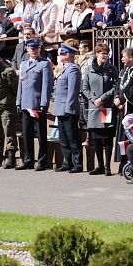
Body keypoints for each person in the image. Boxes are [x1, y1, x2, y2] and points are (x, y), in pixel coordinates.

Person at [16, 38, 54, 171]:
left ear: (39, 49)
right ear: (27, 48)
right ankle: (28, 160)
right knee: (26, 133)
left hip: (37, 104)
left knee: (41, 134)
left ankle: (42, 161)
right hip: (25, 103)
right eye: (31, 48)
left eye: (36, 48)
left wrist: (44, 103)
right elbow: (21, 84)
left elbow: (47, 86)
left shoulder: (44, 64)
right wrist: (18, 101)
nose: (34, 50)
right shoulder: (23, 64)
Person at [82, 43, 118, 175]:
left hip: (106, 107)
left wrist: (102, 99)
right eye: (103, 53)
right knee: (96, 138)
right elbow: (84, 88)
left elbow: (116, 87)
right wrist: (94, 99)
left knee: (107, 137)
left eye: (107, 53)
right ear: (96, 54)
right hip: (94, 108)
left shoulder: (111, 69)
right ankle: (100, 165)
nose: (105, 56)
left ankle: (108, 166)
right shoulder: (89, 69)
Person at [52, 43, 83, 173]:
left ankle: (77, 164)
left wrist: (69, 108)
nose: (61, 56)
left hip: (68, 108)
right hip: (60, 108)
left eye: (63, 53)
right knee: (63, 138)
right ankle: (67, 161)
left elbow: (73, 91)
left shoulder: (73, 69)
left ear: (69, 55)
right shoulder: (64, 69)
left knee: (72, 137)